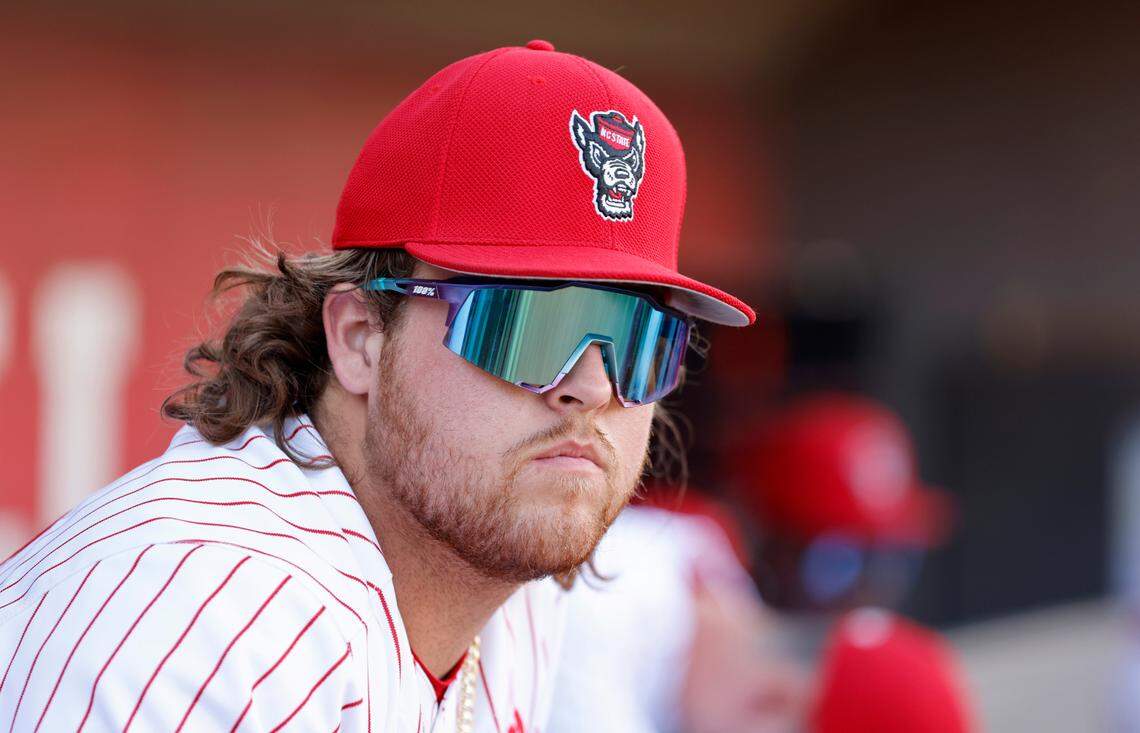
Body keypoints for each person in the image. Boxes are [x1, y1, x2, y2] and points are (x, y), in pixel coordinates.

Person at [0, 40, 754, 732]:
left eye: (640, 342)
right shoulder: (200, 618)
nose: (592, 387)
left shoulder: (507, 595)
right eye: (529, 325)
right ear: (360, 338)